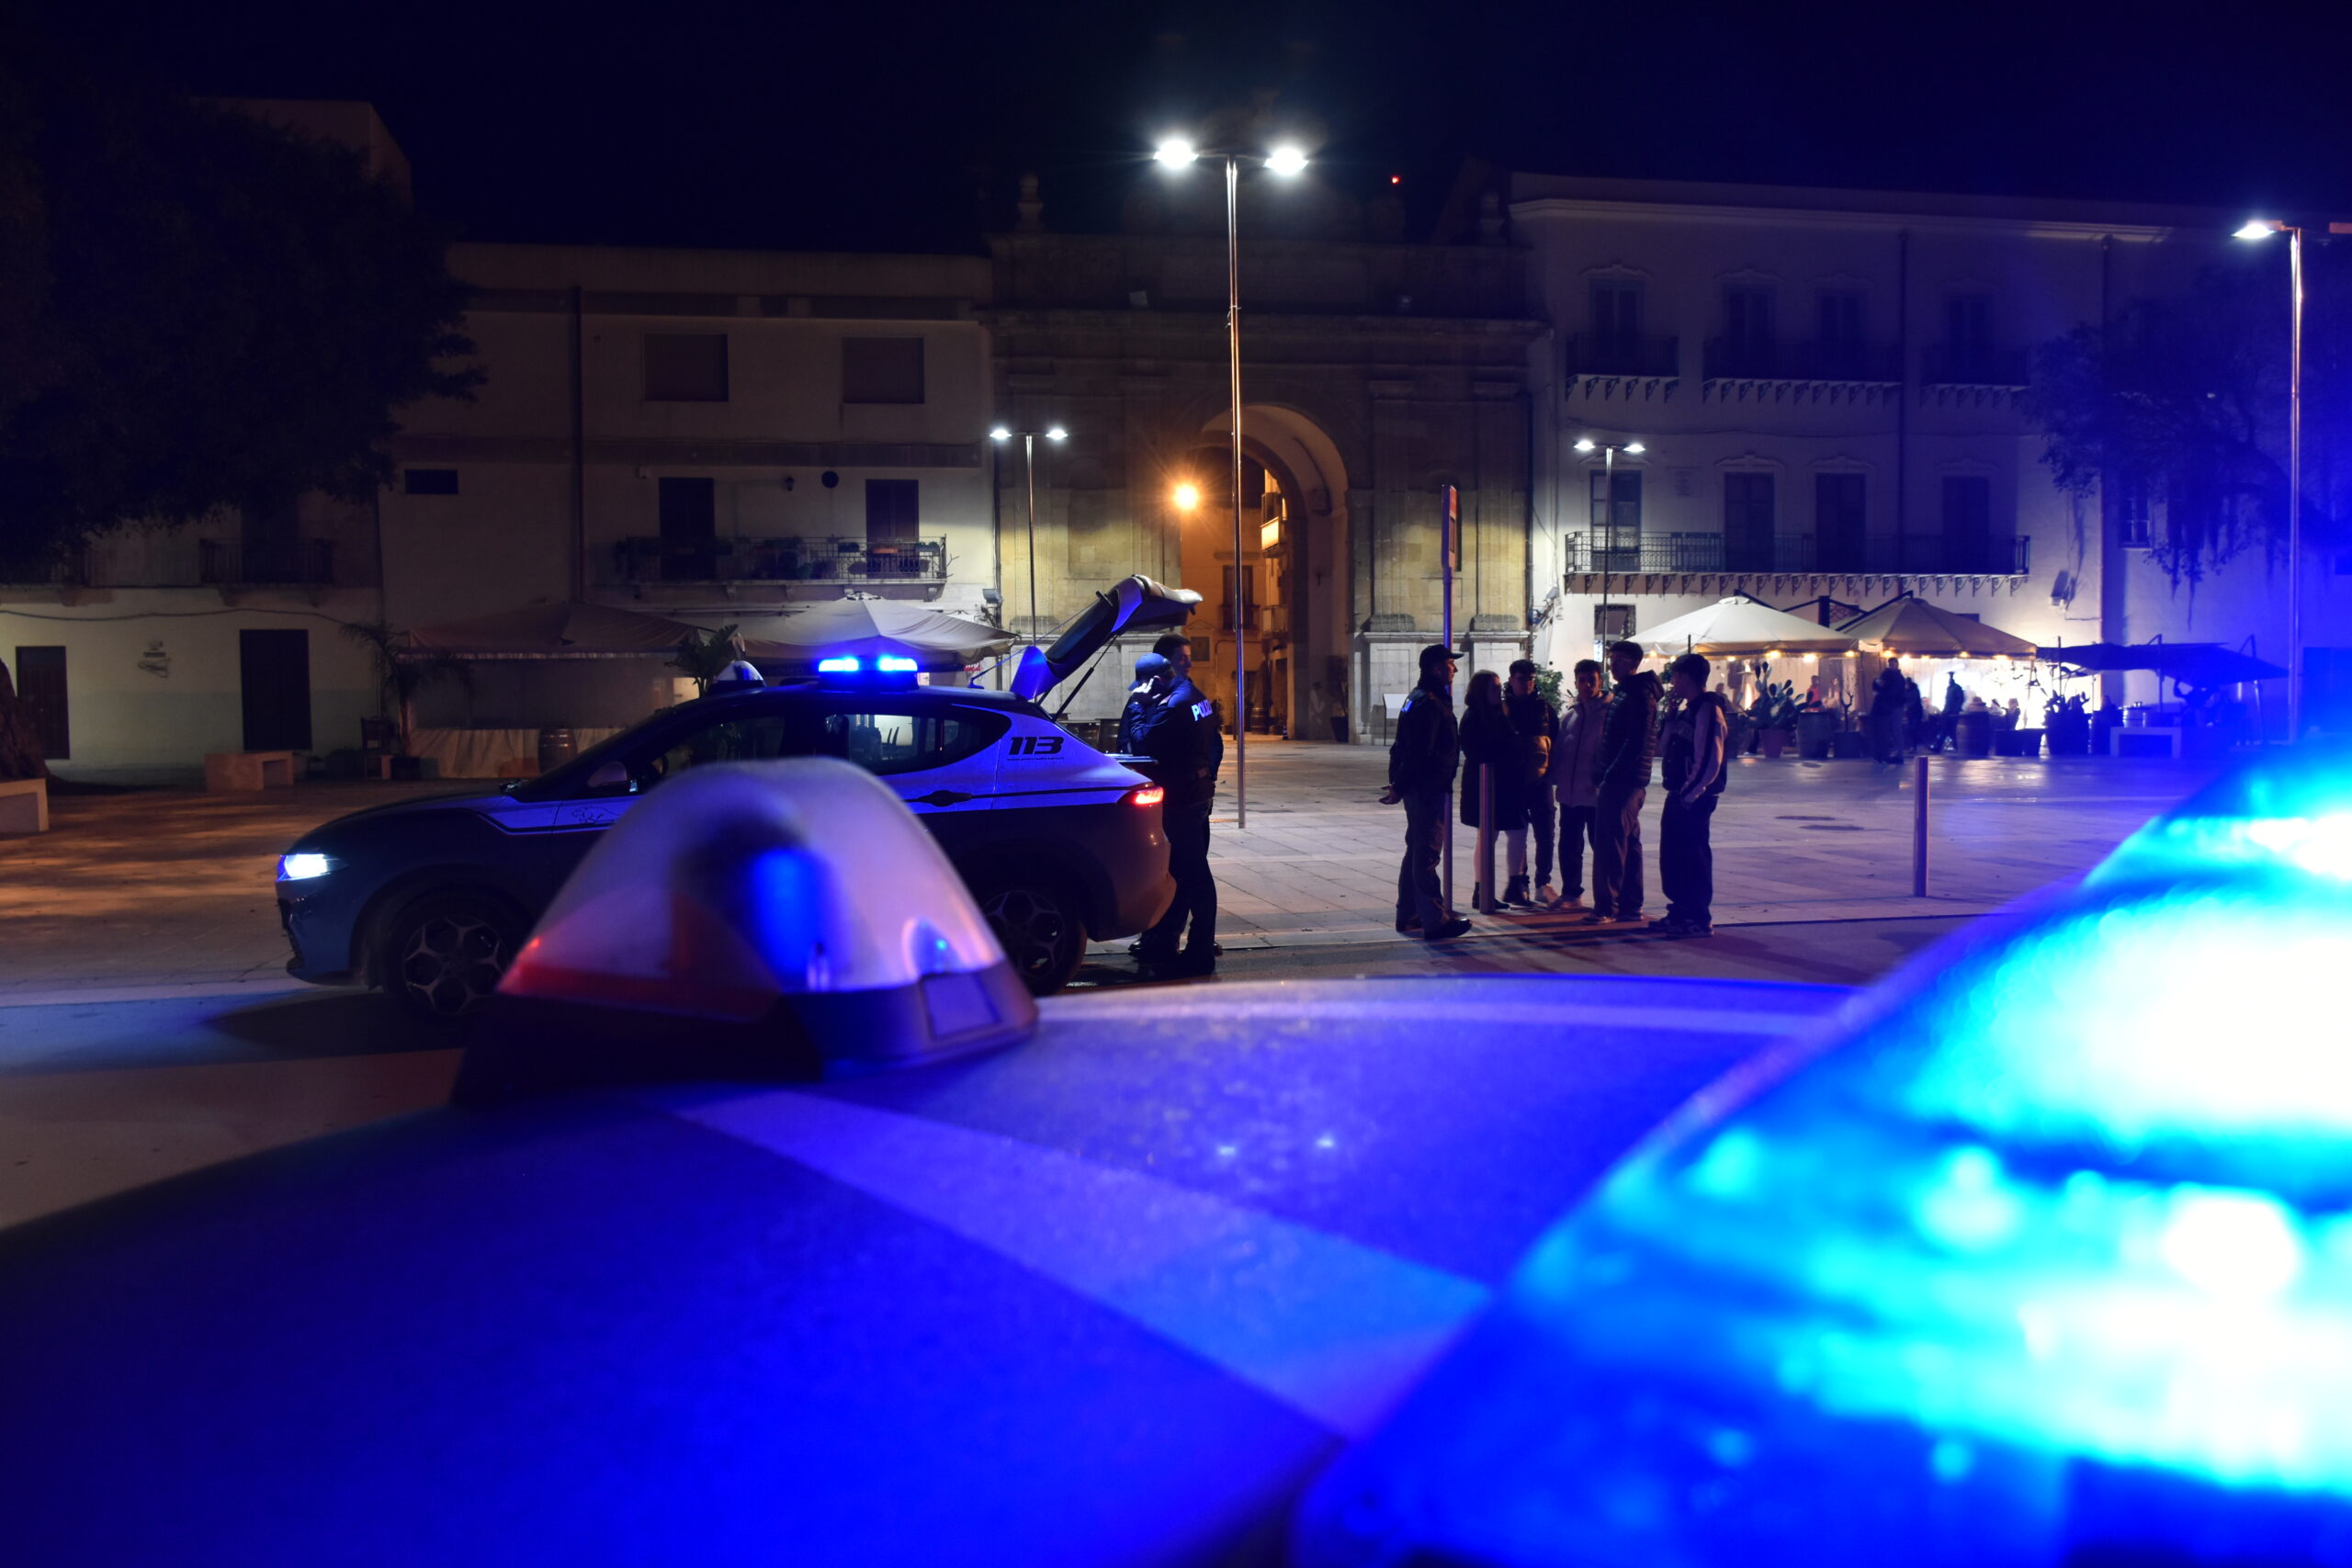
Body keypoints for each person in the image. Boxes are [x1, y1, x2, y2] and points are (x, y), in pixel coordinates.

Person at [1132, 633, 1222, 976]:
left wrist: (1139, 707)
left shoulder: (1175, 704)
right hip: (1194, 794)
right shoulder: (1194, 696)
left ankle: (1199, 951)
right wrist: (1205, 775)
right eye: (1182, 657)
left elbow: (1142, 742)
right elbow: (1214, 745)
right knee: (1186, 875)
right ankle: (1167, 941)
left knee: (1193, 876)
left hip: (1183, 798)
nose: (1189, 662)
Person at [1381, 644, 1473, 942]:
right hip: (1429, 789)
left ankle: (1408, 914)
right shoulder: (1430, 704)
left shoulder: (1416, 698)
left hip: (1420, 788)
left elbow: (1402, 746)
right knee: (1427, 855)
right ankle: (1435, 920)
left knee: (1416, 852)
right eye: (1450, 664)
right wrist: (1400, 785)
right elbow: (1420, 752)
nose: (1454, 669)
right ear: (1436, 668)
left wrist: (1398, 783)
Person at [1584, 640, 1660, 927]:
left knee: (1610, 844)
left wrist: (1609, 776)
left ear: (1633, 664)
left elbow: (1634, 744)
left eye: (1619, 660)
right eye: (1611, 659)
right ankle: (1629, 904)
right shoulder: (1629, 693)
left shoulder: (1638, 696)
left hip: (1623, 782)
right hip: (1627, 780)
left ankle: (1607, 906)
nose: (1613, 665)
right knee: (1628, 842)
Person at [1653, 651, 1729, 937]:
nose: (1673, 682)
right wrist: (1670, 719)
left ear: (1687, 677)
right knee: (1673, 854)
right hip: (1679, 792)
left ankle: (1697, 915)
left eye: (1675, 676)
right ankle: (1680, 910)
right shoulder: (1688, 710)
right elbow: (1663, 749)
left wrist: (1691, 793)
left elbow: (1711, 757)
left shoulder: (1708, 709)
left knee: (1693, 854)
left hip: (1695, 797)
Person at [1456, 671, 1522, 909]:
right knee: (1486, 835)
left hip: (1501, 782)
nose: (1499, 692)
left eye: (1499, 687)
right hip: (1484, 783)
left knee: (1498, 833)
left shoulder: (1499, 712)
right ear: (1481, 691)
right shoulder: (1474, 716)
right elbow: (1478, 750)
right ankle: (1481, 889)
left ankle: (1490, 888)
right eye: (1494, 688)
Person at [1547, 659, 1608, 911]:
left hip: (1595, 794)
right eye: (1582, 680)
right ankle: (1572, 893)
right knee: (1569, 846)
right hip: (1570, 794)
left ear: (1600, 682)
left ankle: (1609, 895)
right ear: (1576, 682)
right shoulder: (1570, 716)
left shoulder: (1608, 714)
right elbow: (1560, 752)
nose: (1586, 685)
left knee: (1601, 846)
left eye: (1591, 680)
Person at [1503, 659, 1559, 906]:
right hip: (1513, 782)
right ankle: (1519, 883)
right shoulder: (1502, 709)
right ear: (1511, 680)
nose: (1527, 683)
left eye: (1530, 679)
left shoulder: (1545, 708)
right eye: (1521, 678)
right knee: (1518, 835)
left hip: (1541, 781)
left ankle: (1542, 882)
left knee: (1545, 833)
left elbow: (1556, 741)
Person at [1116, 652, 1170, 754]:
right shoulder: (1136, 698)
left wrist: (1137, 706)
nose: (1139, 687)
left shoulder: (1171, 701)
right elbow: (1124, 740)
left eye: (1142, 682)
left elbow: (1142, 743)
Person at [1871, 656, 1908, 765]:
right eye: (1891, 664)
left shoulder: (1894, 677)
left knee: (1894, 731)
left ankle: (1896, 754)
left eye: (1893, 664)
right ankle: (1896, 754)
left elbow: (1888, 691)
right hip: (1892, 707)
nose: (1892, 666)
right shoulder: (1895, 677)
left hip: (1893, 707)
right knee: (1893, 731)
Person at [1935, 673, 1965, 753]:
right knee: (1946, 730)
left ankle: (1955, 747)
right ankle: (1938, 747)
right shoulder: (1950, 688)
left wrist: (1955, 710)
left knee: (1950, 730)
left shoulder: (1956, 688)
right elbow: (1948, 701)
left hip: (1952, 713)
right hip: (1948, 712)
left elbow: (1960, 700)